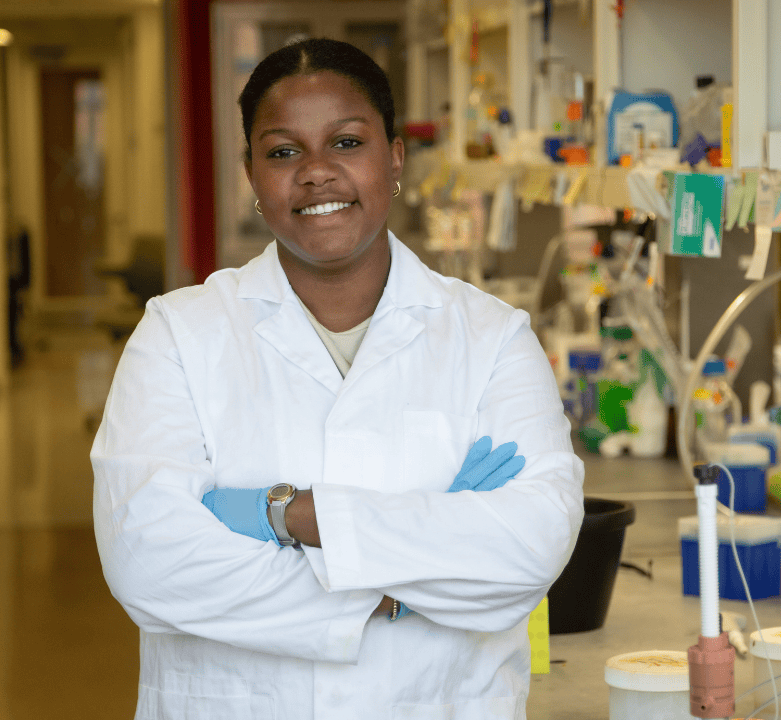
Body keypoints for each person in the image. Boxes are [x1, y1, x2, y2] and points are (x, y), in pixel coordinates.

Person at [91, 38, 584, 719]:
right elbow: (147, 563)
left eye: (347, 143)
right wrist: (402, 583)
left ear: (395, 158)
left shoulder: (492, 338)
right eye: (284, 152)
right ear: (252, 174)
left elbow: (533, 545)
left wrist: (288, 514)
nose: (316, 173)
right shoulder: (179, 335)